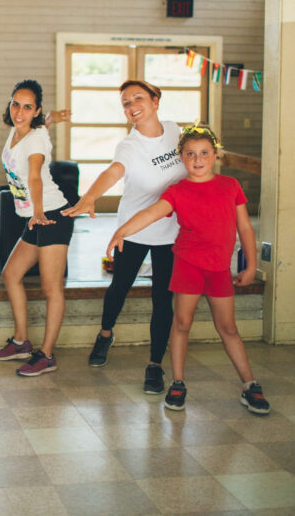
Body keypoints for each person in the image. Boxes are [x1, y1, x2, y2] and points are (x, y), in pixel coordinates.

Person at [106, 126, 270, 415]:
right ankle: (178, 382)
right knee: (181, 324)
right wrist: (122, 230)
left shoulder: (230, 186)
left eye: (204, 153)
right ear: (181, 157)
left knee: (229, 328)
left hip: (219, 268)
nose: (198, 159)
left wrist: (252, 265)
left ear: (215, 155)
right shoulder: (178, 190)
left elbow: (244, 227)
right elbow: (150, 213)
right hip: (188, 265)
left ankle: (249, 385)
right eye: (191, 154)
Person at [62, 80, 185, 395]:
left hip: (172, 232)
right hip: (133, 229)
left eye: (138, 98)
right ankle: (105, 335)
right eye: (126, 103)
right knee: (119, 287)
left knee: (162, 299)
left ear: (156, 100)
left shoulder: (175, 131)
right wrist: (90, 196)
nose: (132, 106)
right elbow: (113, 172)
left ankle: (155, 365)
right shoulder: (129, 146)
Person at [0, 79, 75, 377]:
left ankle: (47, 355)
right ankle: (21, 342)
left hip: (51, 214)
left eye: (27, 107)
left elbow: (36, 176)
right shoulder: (23, 130)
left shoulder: (35, 139)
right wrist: (51, 118)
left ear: (35, 110)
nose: (19, 111)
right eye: (16, 104)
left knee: (51, 288)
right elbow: (41, 130)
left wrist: (37, 210)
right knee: (11, 274)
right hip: (34, 216)